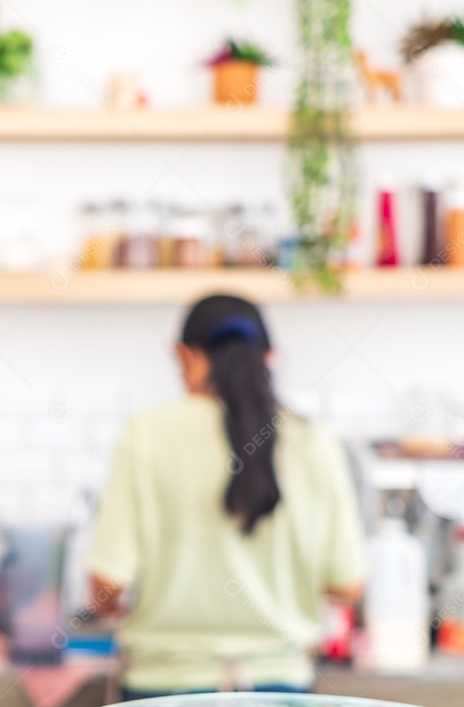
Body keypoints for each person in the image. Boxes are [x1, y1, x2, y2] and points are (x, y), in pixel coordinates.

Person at [86, 294, 366, 700]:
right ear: (268, 358)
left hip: (164, 687)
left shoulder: (145, 432)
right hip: (280, 686)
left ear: (184, 356)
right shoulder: (313, 441)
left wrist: (110, 603)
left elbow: (109, 582)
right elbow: (347, 585)